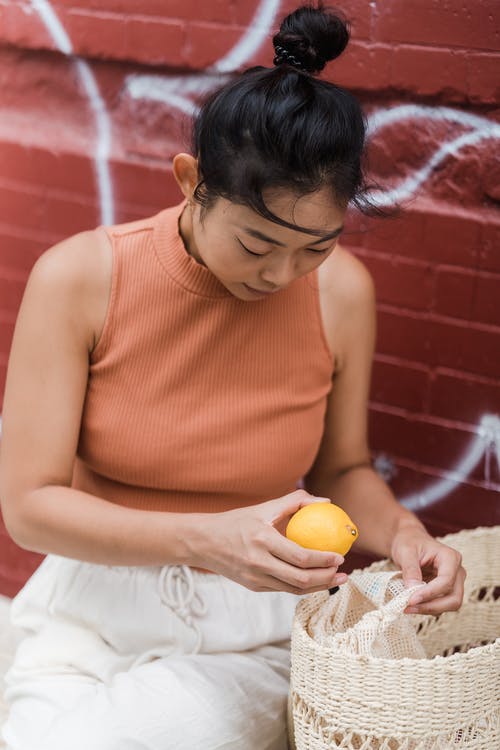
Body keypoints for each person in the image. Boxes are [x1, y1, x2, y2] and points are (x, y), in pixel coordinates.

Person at [0, 3, 465, 749]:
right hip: (86, 611)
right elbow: (29, 507)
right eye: (257, 241)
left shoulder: (341, 293)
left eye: (315, 246)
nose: (282, 274)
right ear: (191, 182)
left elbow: (342, 468)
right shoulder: (82, 277)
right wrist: (204, 539)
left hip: (251, 628)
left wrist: (408, 535)